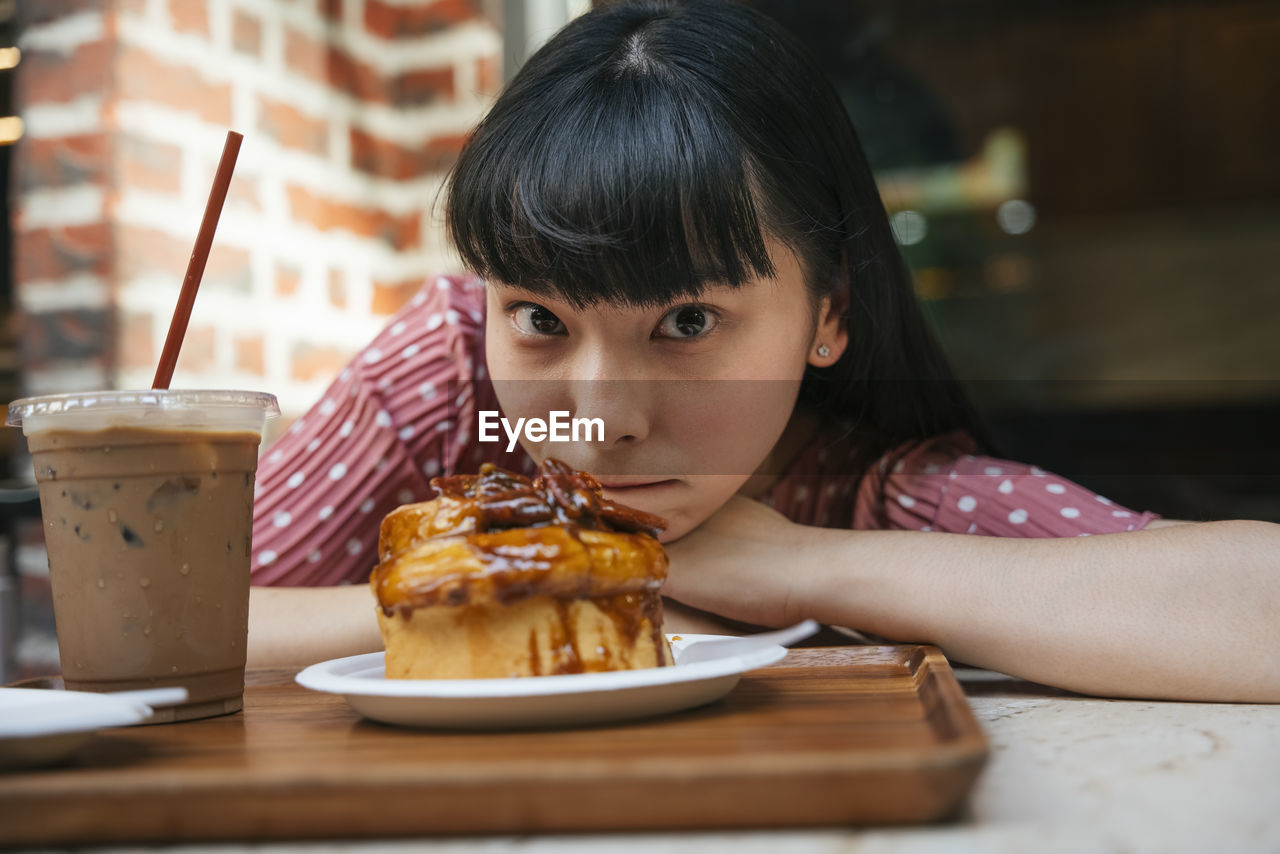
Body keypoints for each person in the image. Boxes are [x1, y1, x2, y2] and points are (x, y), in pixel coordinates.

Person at [246, 0, 1279, 702]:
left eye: (686, 323)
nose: (600, 418)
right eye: (541, 319)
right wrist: (535, 587)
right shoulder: (445, 374)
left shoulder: (871, 495)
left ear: (828, 313)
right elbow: (164, 625)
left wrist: (803, 565)